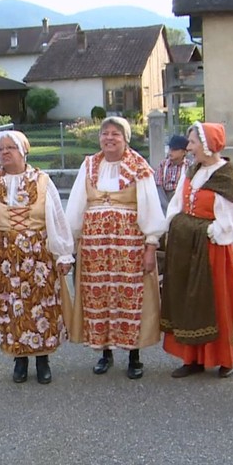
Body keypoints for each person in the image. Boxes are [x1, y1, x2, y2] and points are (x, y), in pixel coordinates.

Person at [65, 116, 165, 379]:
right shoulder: (88, 166)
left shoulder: (139, 167)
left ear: (126, 139)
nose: (109, 138)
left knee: (129, 297)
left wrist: (150, 246)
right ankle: (105, 352)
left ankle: (134, 355)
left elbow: (151, 208)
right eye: (105, 133)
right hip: (95, 246)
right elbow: (76, 203)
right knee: (100, 296)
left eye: (115, 134)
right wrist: (71, 241)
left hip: (128, 245)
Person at [0, 130, 74, 384]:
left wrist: (62, 253)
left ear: (23, 151)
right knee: (10, 306)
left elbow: (56, 218)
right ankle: (19, 360)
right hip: (4, 258)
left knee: (42, 307)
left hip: (38, 257)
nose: (4, 153)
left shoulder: (41, 181)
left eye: (10, 148)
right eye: (1, 149)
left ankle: (42, 359)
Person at [160, 122, 233, 378]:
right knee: (189, 301)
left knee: (217, 303)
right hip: (187, 246)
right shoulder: (193, 171)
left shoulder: (225, 174)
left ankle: (225, 358)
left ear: (208, 146)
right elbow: (177, 202)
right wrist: (175, 224)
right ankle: (193, 357)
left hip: (213, 251)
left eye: (194, 142)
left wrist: (212, 231)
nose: (189, 147)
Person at [155, 135, 190, 206]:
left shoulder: (189, 166)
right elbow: (158, 187)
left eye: (175, 150)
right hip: (164, 200)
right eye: (170, 149)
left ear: (184, 152)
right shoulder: (163, 165)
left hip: (182, 201)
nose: (170, 152)